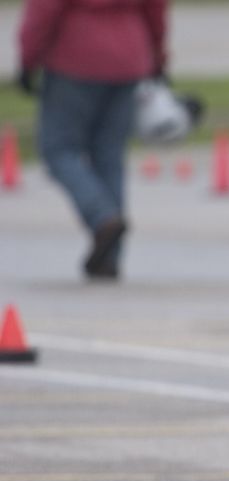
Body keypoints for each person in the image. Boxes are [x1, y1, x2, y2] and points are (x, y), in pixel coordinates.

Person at [17, 0, 167, 282]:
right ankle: (109, 257)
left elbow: (44, 9)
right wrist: (157, 57)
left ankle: (103, 219)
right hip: (130, 57)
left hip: (76, 58)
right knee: (110, 156)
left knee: (58, 149)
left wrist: (28, 59)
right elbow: (156, 9)